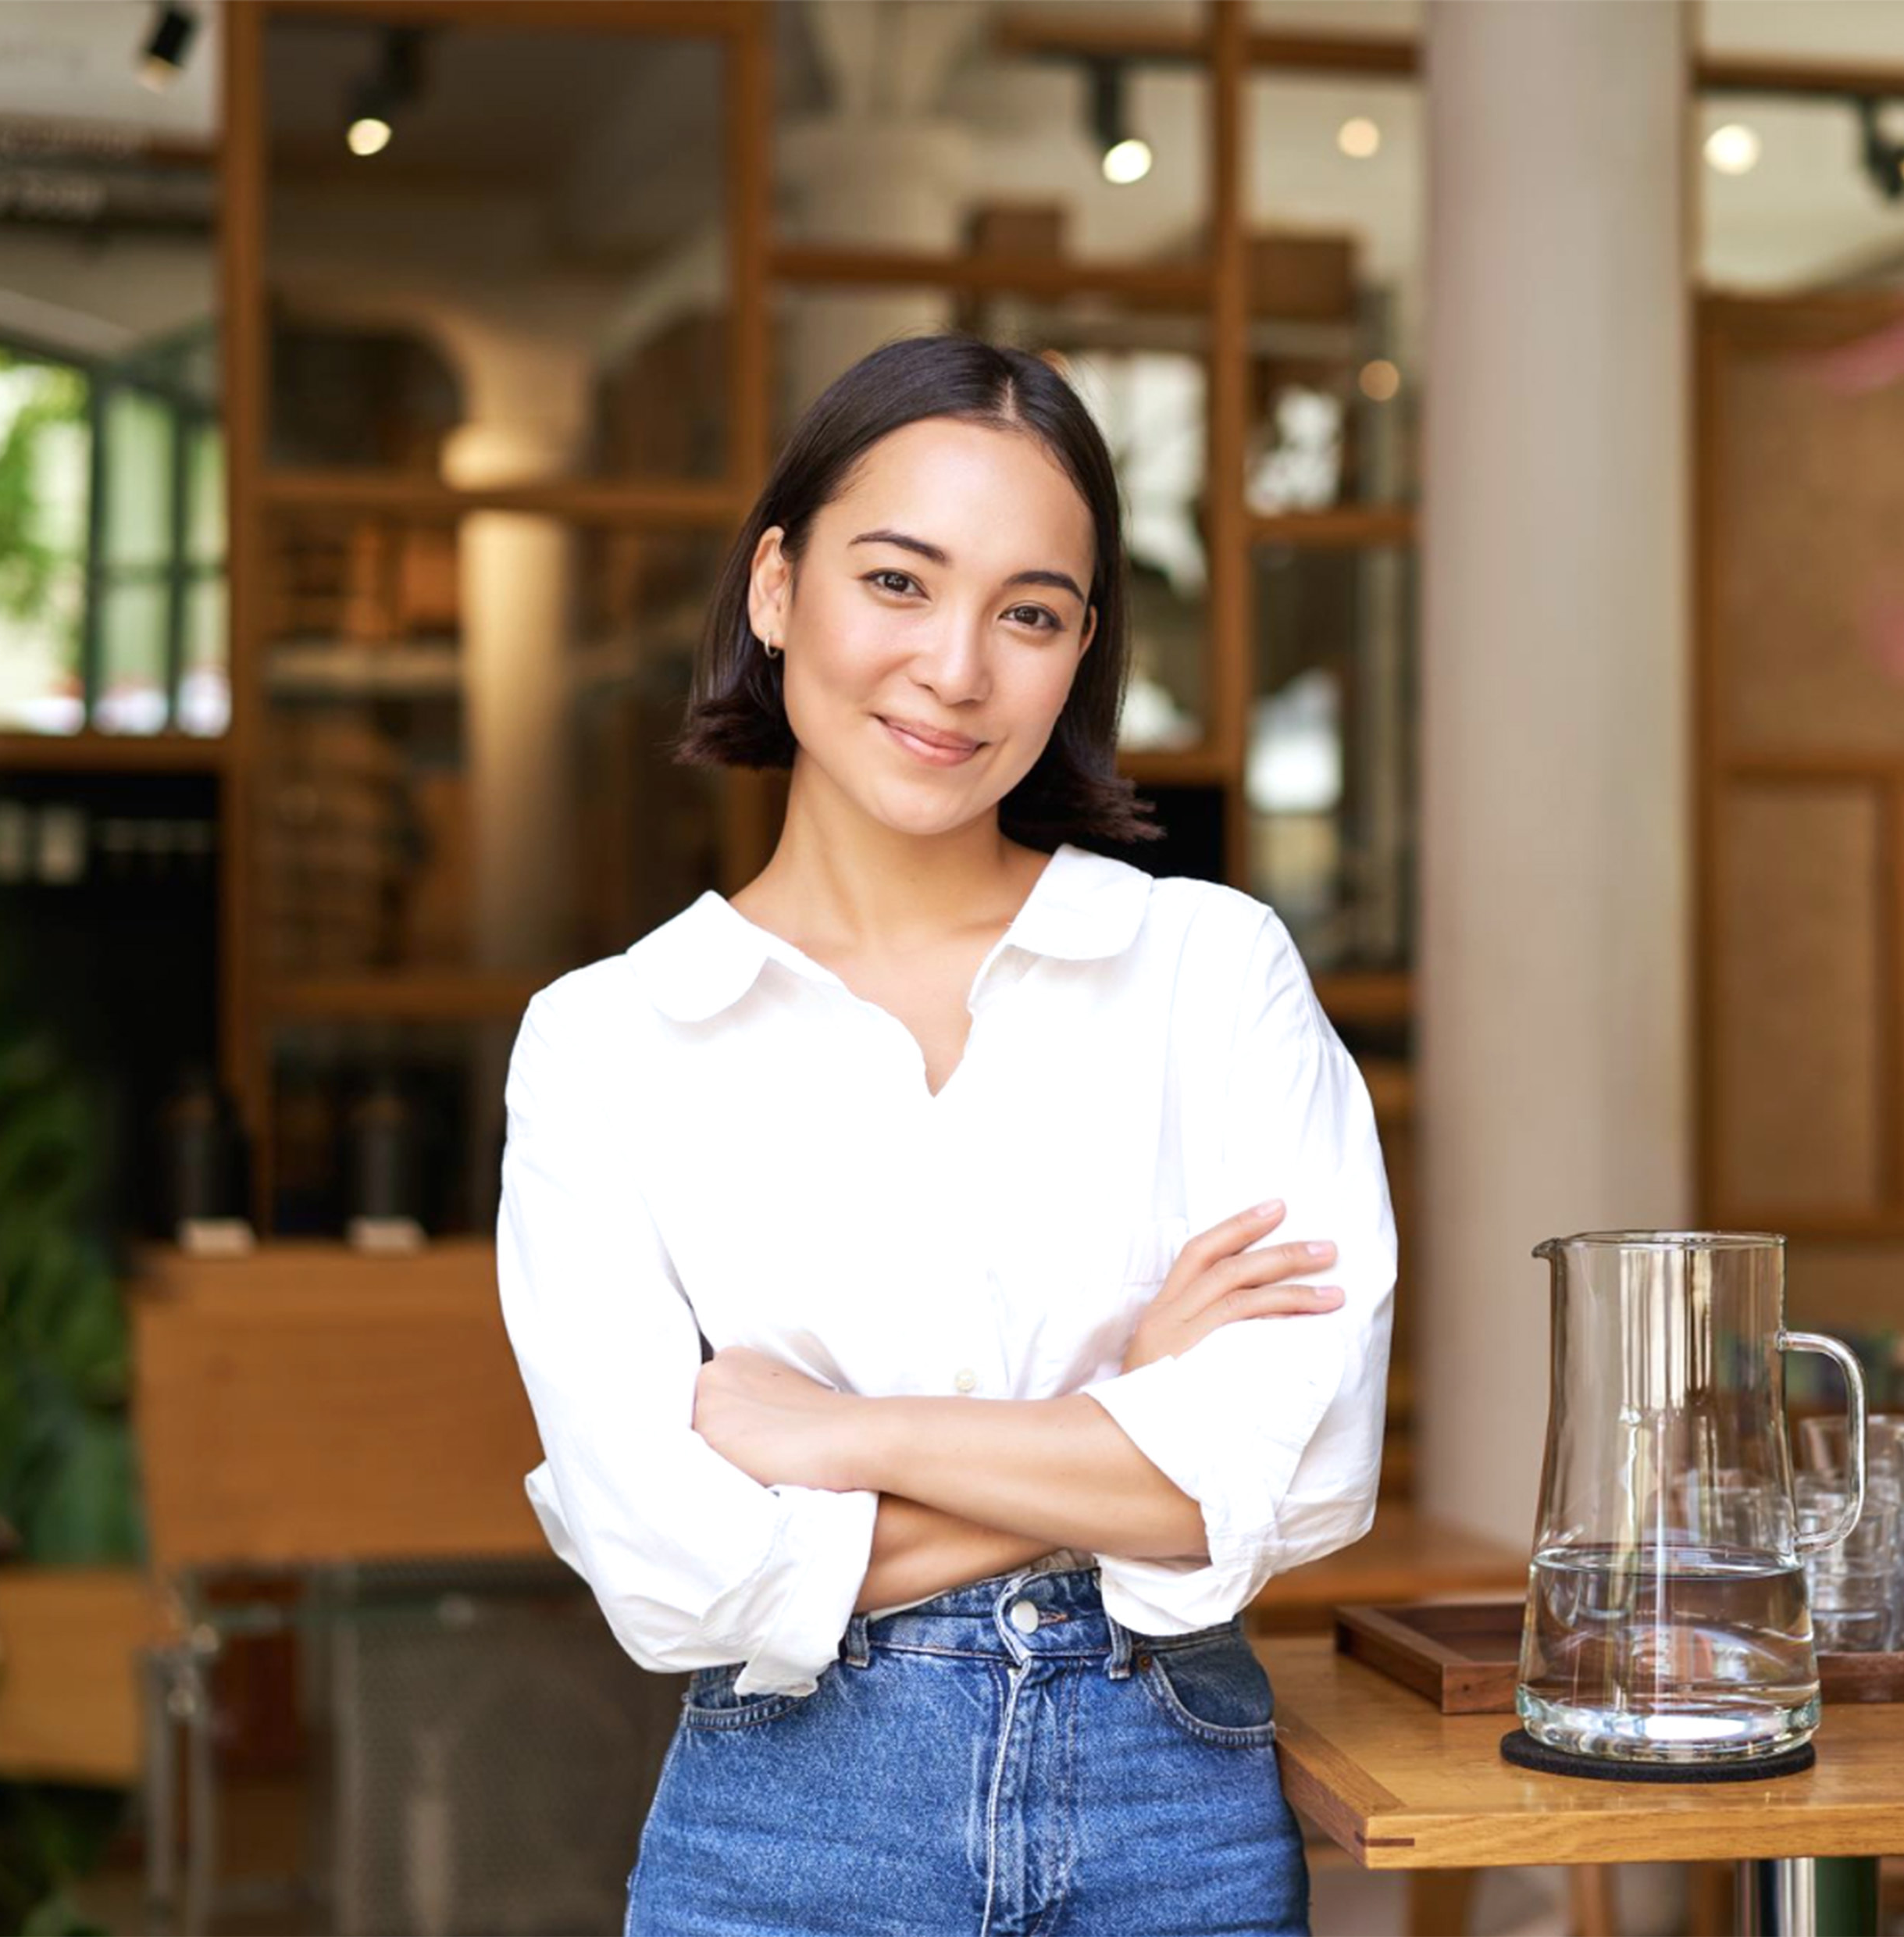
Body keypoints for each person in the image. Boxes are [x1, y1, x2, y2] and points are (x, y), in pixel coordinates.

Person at [494, 333, 1398, 1937]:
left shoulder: (1208, 970)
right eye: (898, 582)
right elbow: (670, 1570)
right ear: (777, 589)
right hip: (787, 1833)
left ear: (1080, 653)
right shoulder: (613, 1039)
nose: (957, 667)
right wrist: (1135, 1425)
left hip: (1169, 1812)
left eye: (1029, 613)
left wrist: (839, 1437)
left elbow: (1300, 1471)